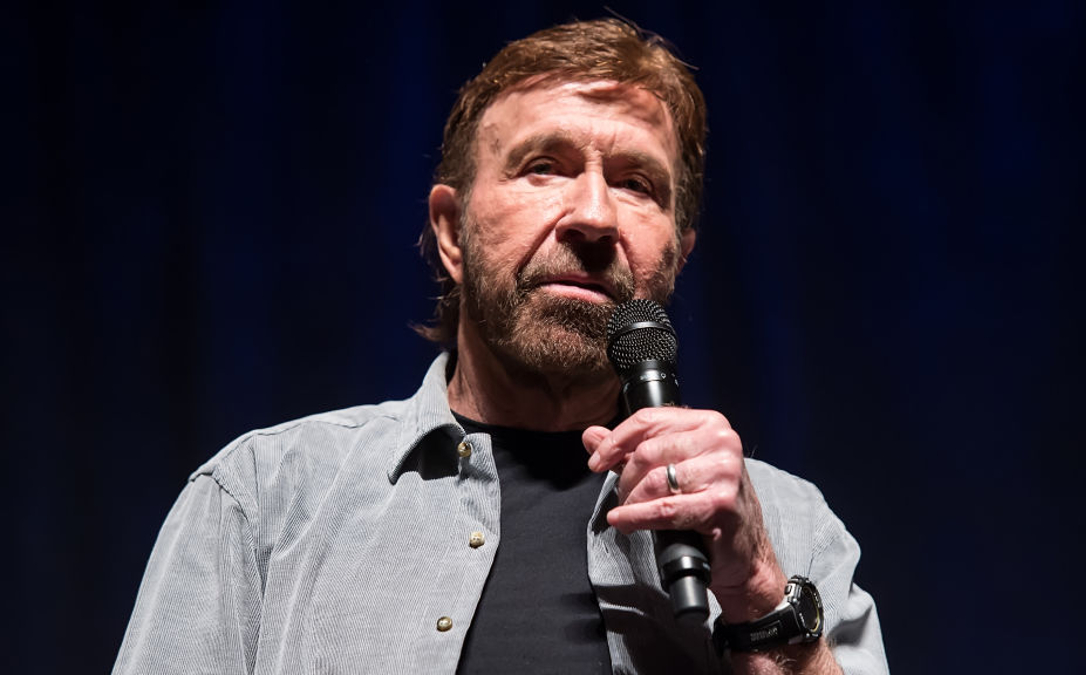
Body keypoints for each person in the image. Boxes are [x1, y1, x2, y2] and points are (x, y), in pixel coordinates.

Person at [114, 18, 887, 675]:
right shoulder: (264, 501)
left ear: (680, 254)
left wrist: (758, 593)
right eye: (543, 167)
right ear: (450, 233)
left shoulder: (788, 525)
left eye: (636, 184)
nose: (593, 215)